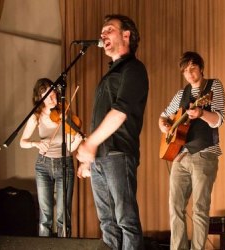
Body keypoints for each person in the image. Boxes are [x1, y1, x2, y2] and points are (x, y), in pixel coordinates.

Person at [76, 14, 148, 249]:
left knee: (125, 219)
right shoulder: (111, 73)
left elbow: (120, 112)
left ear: (126, 35)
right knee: (107, 222)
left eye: (109, 30)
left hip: (118, 153)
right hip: (99, 157)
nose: (102, 35)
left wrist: (90, 144)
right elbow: (100, 119)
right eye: (102, 31)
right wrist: (89, 159)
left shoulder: (134, 69)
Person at [159, 51, 225, 250]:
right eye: (185, 70)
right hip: (180, 155)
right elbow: (163, 116)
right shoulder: (181, 93)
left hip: (205, 153)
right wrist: (165, 126)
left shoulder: (214, 87)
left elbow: (219, 120)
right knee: (175, 207)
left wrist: (201, 113)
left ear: (201, 68)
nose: (189, 73)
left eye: (192, 68)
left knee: (200, 209)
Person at [20, 78, 83, 237]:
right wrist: (36, 143)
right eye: (47, 97)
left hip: (65, 163)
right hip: (43, 165)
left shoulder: (65, 112)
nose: (52, 99)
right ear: (40, 98)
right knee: (45, 216)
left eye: (54, 95)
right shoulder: (36, 116)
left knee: (64, 215)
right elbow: (23, 142)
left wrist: (78, 139)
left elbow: (69, 148)